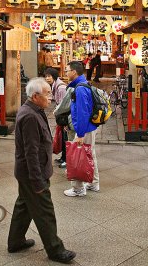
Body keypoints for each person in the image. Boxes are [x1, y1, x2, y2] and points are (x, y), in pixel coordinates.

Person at [7, 77, 76, 264]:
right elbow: (31, 152)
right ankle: (55, 249)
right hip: (32, 174)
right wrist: (37, 181)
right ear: (35, 96)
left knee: (24, 206)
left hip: (28, 173)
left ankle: (15, 241)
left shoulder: (34, 109)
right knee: (45, 211)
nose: (51, 97)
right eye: (47, 94)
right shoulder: (30, 115)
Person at [64, 61, 99, 197]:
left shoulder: (80, 88)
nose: (66, 73)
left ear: (74, 72)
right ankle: (93, 183)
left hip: (84, 128)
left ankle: (78, 188)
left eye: (67, 70)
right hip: (90, 127)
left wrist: (80, 134)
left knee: (77, 157)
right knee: (90, 154)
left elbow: (83, 112)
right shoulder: (84, 84)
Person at [44, 67, 67, 168]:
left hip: (65, 116)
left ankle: (67, 160)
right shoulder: (54, 85)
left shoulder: (61, 87)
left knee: (66, 138)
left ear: (54, 76)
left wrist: (56, 112)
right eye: (46, 76)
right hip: (61, 115)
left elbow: (63, 105)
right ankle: (63, 157)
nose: (47, 78)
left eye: (49, 76)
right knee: (62, 136)